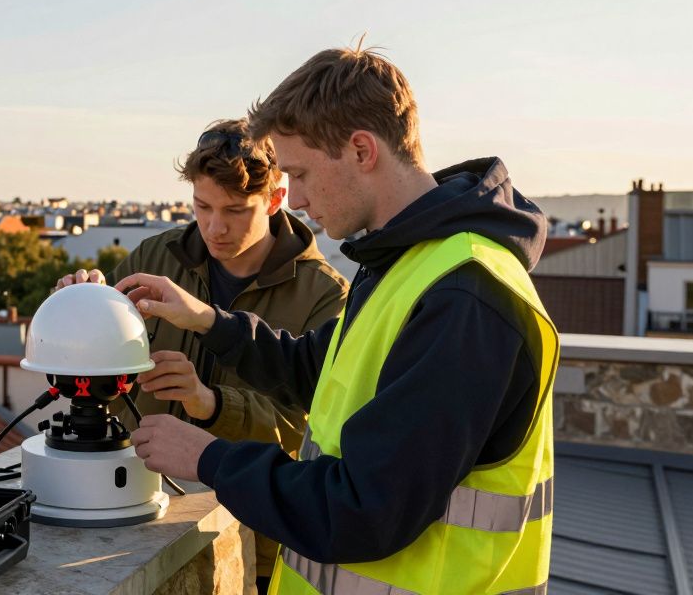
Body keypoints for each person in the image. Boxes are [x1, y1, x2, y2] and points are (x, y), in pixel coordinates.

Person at [119, 45, 559, 594]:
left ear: (360, 150)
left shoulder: (464, 296)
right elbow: (319, 365)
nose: (294, 198)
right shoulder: (407, 259)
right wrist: (209, 320)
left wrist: (209, 458)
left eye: (299, 173)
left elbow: (365, 509)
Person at [54, 118, 348, 586]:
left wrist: (207, 402)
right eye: (202, 206)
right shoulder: (153, 259)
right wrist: (82, 307)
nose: (215, 227)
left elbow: (310, 432)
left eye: (235, 210)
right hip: (133, 516)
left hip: (254, 538)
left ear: (274, 200)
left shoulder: (325, 296)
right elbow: (96, 370)